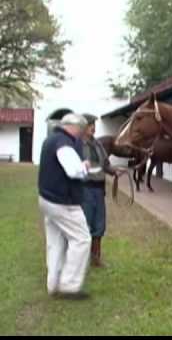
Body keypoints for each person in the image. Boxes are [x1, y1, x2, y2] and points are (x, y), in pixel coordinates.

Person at [38, 113, 92, 299]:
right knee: (82, 239)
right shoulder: (64, 143)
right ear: (75, 127)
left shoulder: (51, 139)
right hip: (63, 202)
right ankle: (69, 285)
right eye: (82, 130)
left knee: (55, 241)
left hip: (47, 200)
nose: (81, 134)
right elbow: (73, 170)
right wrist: (84, 166)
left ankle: (53, 283)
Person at [81, 113, 125, 267]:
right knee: (84, 224)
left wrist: (114, 171)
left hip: (99, 191)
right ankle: (80, 260)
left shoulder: (98, 145)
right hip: (84, 190)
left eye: (94, 124)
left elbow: (105, 165)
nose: (93, 127)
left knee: (99, 224)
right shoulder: (76, 145)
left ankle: (95, 258)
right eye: (89, 124)